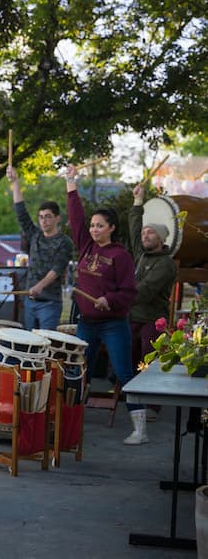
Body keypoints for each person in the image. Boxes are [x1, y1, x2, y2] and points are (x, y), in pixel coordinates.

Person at [65, 165, 143, 444]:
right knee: (76, 370)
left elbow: (129, 292)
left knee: (124, 372)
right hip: (87, 323)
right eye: (93, 225)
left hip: (113, 323)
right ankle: (67, 421)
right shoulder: (86, 246)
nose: (93, 229)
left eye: (100, 225)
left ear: (112, 228)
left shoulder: (121, 256)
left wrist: (108, 299)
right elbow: (76, 219)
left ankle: (139, 428)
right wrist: (71, 183)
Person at [6, 167, 75, 330]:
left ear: (58, 218)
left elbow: (56, 269)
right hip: (30, 302)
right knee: (29, 346)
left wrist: (40, 286)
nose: (43, 221)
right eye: (41, 217)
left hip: (50, 304)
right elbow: (21, 212)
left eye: (48, 217)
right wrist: (15, 182)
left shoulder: (64, 242)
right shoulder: (35, 235)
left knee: (46, 346)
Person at [129, 184, 177, 378]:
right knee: (129, 364)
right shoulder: (141, 255)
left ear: (161, 238)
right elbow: (134, 229)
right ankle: (131, 400)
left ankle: (151, 406)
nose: (145, 235)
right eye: (144, 233)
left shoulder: (166, 264)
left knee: (149, 368)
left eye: (150, 232)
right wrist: (138, 201)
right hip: (132, 318)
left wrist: (118, 299)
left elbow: (145, 290)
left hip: (152, 321)